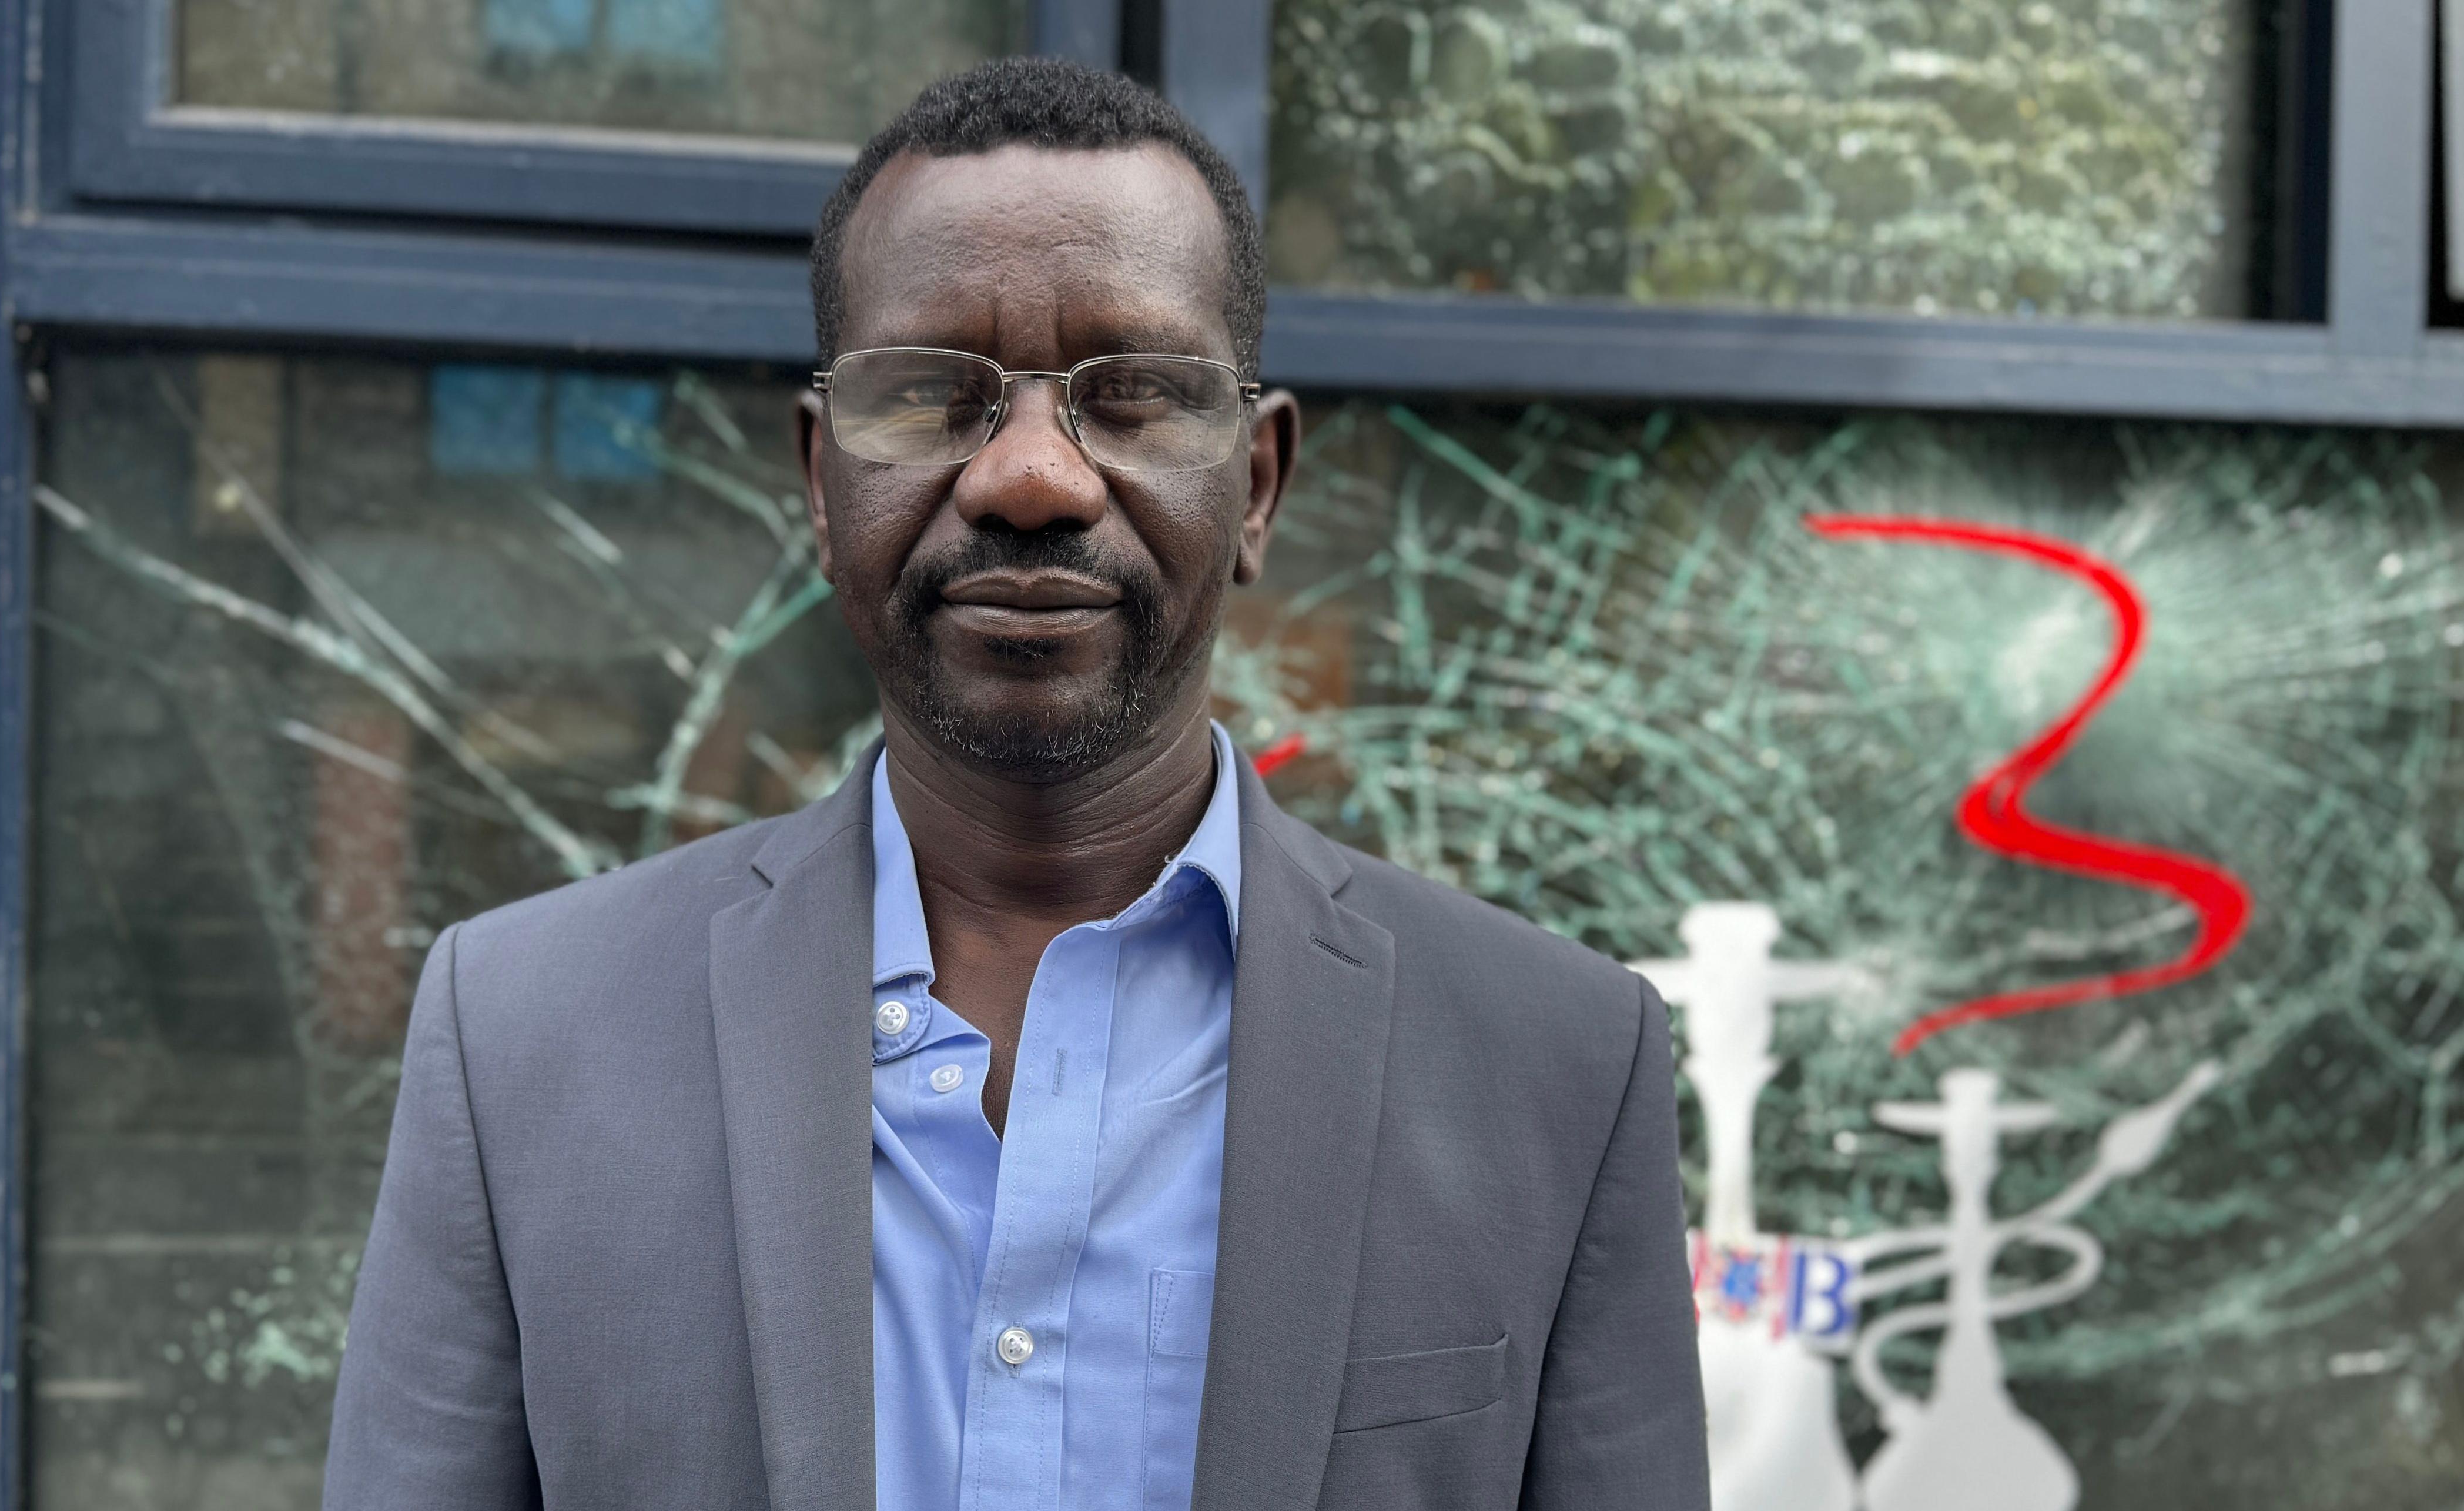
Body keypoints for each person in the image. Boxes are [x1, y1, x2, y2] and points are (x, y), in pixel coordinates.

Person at [323, 58, 1708, 1511]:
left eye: (1135, 393)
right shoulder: (521, 1034)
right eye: (930, 395)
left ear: (1262, 481)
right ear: (817, 477)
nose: (1031, 476)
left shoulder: (1553, 1065)